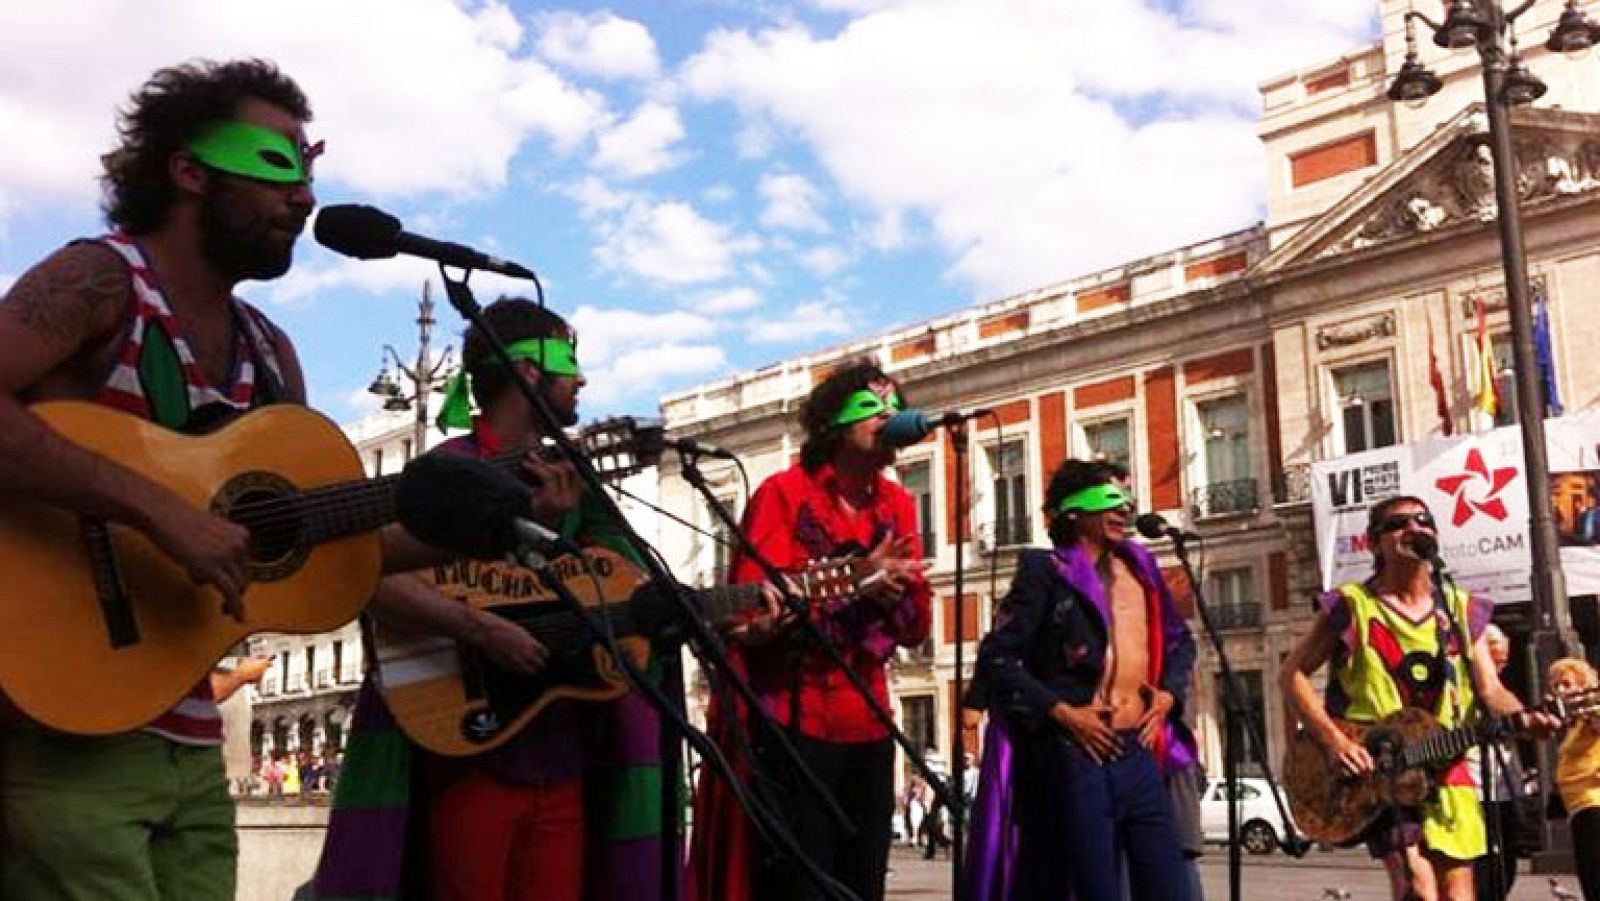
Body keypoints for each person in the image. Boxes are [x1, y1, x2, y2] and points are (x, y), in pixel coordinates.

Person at [0, 58, 324, 901]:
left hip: (189, 740)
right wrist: (156, 511)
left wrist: (469, 513)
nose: (304, 195)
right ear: (187, 169)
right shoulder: (101, 280)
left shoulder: (272, 354)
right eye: (279, 162)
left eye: (311, 168)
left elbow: (322, 549)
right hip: (58, 722)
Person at [311, 297, 666, 901]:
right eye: (568, 361)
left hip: (564, 750)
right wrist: (478, 629)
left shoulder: (577, 482)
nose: (581, 378)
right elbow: (362, 572)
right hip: (467, 753)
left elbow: (628, 583)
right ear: (528, 370)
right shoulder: (443, 474)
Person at [688, 359, 932, 901]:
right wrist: (844, 589)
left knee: (863, 883)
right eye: (873, 409)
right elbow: (749, 614)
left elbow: (918, 629)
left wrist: (899, 596)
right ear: (834, 427)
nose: (890, 418)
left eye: (895, 407)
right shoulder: (783, 495)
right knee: (800, 886)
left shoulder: (898, 504)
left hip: (869, 719)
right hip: (793, 724)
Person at [1281, 495, 1556, 901]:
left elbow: (1490, 690)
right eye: (1397, 524)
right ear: (1374, 543)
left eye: (1422, 521)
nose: (1413, 529)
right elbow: (1292, 675)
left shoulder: (1460, 609)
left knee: (1459, 893)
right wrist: (1334, 741)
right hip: (1380, 765)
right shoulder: (1352, 606)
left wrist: (1526, 718)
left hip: (1447, 764)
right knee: (1418, 886)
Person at [975, 458, 1197, 901]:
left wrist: (1169, 695)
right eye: (1111, 498)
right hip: (1079, 755)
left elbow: (1180, 642)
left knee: (1170, 886)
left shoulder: (1142, 570)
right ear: (1074, 511)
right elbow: (996, 658)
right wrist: (1063, 713)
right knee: (1093, 889)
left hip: (1139, 751)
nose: (1125, 509)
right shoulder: (1044, 572)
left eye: (1128, 500)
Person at [1473, 623, 1525, 901]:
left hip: (1504, 788)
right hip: (1473, 789)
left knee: (1506, 865)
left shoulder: (1502, 693)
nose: (1501, 668)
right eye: (1496, 661)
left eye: (1504, 661)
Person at [1550, 657, 1600, 901]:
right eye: (1556, 685)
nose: (1561, 690)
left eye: (1567, 684)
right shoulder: (1573, 722)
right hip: (1577, 805)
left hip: (1593, 801)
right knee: (1588, 875)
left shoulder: (1592, 711)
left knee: (1595, 876)